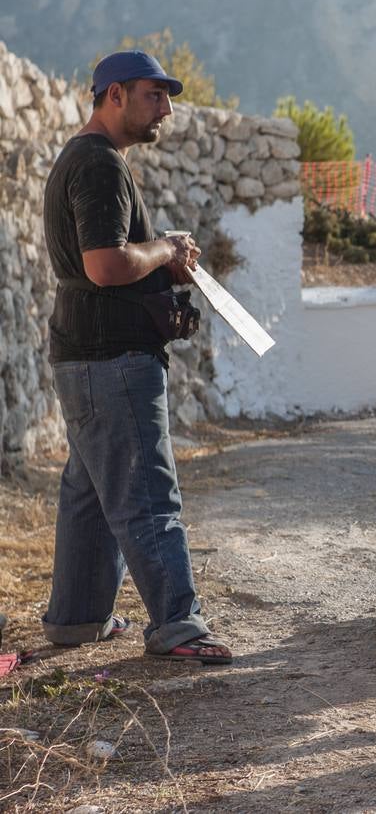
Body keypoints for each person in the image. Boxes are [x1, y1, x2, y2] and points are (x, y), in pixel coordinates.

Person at [40, 51, 231, 663]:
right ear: (114, 95)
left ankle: (76, 620)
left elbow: (109, 258)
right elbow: (107, 264)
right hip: (113, 359)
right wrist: (168, 247)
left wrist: (160, 255)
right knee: (146, 489)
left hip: (85, 355)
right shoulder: (99, 165)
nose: (168, 109)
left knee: (91, 491)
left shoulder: (83, 158)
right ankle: (179, 626)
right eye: (155, 95)